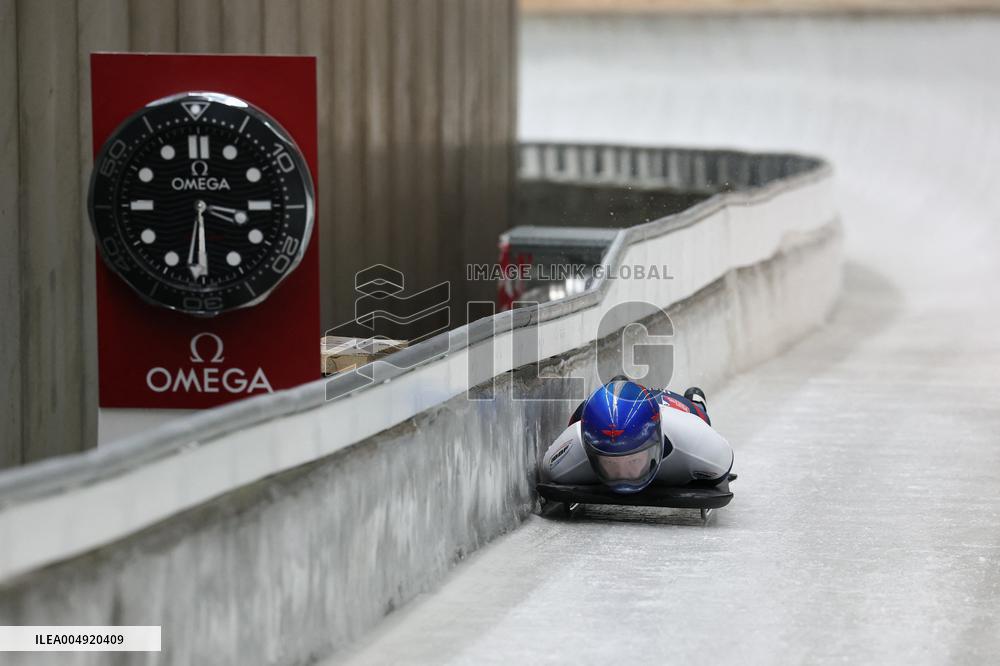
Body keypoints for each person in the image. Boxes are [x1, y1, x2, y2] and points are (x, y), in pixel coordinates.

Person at [540, 376, 733, 494]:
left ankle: (696, 401)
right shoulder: (571, 448)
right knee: (582, 413)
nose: (624, 476)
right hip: (609, 414)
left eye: (633, 461)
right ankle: (618, 386)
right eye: (610, 464)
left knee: (701, 415)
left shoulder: (696, 439)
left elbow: (721, 469)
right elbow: (548, 470)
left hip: (670, 406)